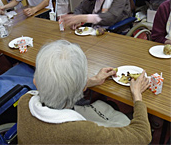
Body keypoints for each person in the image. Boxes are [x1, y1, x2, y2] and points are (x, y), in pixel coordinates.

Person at [17, 40, 152, 144]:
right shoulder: (81, 131)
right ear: (82, 88)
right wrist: (137, 96)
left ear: (36, 82)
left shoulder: (24, 101)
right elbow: (142, 135)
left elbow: (55, 87)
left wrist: (93, 80)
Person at [61, 0, 131, 30]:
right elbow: (81, 8)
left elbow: (111, 17)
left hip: (116, 30)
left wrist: (84, 18)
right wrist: (75, 18)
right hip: (95, 29)